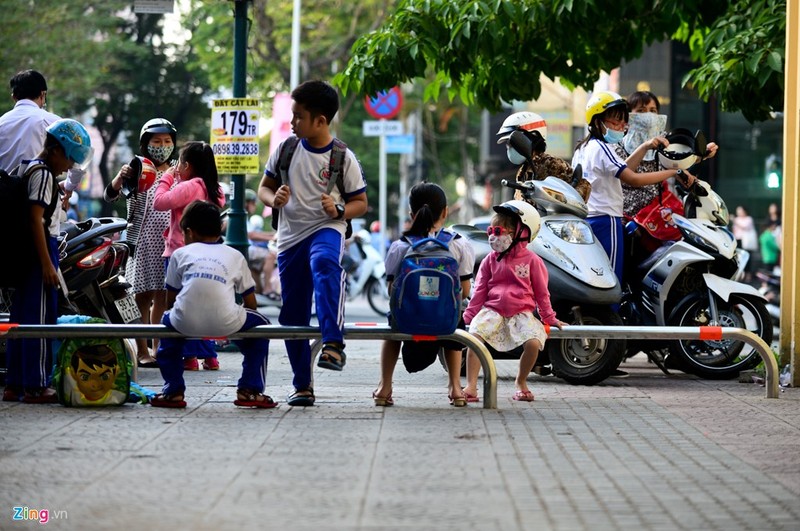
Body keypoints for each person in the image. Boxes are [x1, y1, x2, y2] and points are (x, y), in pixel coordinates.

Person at [257, 79, 368, 407]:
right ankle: (302, 384)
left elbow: (360, 202)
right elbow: (264, 188)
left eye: (298, 116)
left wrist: (339, 209)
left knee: (324, 264)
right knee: (292, 314)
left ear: (321, 121)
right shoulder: (286, 149)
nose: (292, 123)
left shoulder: (342, 157)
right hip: (290, 237)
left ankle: (334, 344)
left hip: (327, 228)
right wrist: (273, 198)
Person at [150, 201, 276, 409]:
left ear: (188, 232)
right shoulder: (235, 255)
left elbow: (170, 300)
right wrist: (239, 332)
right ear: (219, 231)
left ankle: (173, 390)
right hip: (226, 322)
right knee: (262, 328)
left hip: (184, 322)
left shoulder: (179, 255)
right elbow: (251, 303)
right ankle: (250, 389)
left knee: (167, 326)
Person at [3, 119, 94, 403]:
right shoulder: (43, 175)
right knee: (42, 322)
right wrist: (46, 264)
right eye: (69, 159)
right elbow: (36, 220)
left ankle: (16, 383)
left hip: (27, 253)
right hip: (40, 252)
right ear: (56, 151)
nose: (69, 166)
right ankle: (36, 384)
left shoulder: (27, 167)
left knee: (22, 321)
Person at [572, 90, 698, 285]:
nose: (621, 127)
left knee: (598, 275)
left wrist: (646, 146)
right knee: (611, 280)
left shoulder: (582, 148)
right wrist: (674, 173)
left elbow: (626, 168)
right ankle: (611, 315)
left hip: (589, 219)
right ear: (597, 121)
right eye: (615, 122)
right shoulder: (605, 147)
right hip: (609, 220)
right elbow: (633, 178)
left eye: (622, 122)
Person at [373, 182, 474, 407]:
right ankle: (456, 387)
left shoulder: (401, 245)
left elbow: (391, 291)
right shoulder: (459, 244)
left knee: (392, 329)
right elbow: (465, 292)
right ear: (446, 211)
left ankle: (384, 387)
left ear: (411, 213)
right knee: (457, 322)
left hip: (408, 319)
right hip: (445, 321)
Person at [461, 201, 565, 402]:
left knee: (533, 343)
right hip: (492, 311)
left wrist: (549, 318)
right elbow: (479, 291)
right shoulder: (490, 260)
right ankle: (471, 385)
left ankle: (521, 381)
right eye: (491, 231)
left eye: (499, 231)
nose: (493, 236)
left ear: (522, 232)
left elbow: (542, 294)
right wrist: (468, 316)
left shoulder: (533, 261)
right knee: (474, 338)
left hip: (521, 314)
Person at [104, 118, 176, 368]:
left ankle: (159, 348)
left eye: (167, 141)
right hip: (142, 240)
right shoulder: (136, 167)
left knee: (164, 297)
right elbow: (110, 195)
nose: (162, 146)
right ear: (146, 144)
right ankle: (142, 350)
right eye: (157, 141)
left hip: (170, 242)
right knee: (141, 298)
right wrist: (119, 178)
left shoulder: (177, 170)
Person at [153, 141, 226, 371]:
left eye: (181, 163)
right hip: (208, 255)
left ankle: (190, 357)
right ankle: (210, 356)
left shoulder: (191, 186)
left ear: (189, 165)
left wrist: (166, 178)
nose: (178, 167)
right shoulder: (214, 188)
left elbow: (160, 202)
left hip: (180, 254)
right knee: (203, 304)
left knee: (181, 306)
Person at [613, 91, 718, 219]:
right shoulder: (618, 144)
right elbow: (626, 174)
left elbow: (678, 160)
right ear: (629, 114)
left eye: (653, 110)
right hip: (628, 218)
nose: (649, 115)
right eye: (641, 110)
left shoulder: (664, 141)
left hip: (659, 216)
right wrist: (646, 146)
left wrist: (702, 154)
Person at [0, 70, 83, 206]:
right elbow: (77, 160)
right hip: (39, 201)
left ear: (14, 96)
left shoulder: (1, 122)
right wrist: (68, 187)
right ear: (43, 94)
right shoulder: (54, 123)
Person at [498, 111, 592, 202]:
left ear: (530, 140)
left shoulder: (552, 165)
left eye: (512, 143)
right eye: (508, 144)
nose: (509, 147)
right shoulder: (522, 172)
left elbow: (583, 189)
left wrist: (562, 199)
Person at [244, 188, 277, 297]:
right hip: (247, 250)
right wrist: (271, 237)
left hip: (249, 250)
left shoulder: (245, 217)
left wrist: (273, 235)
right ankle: (268, 289)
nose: (255, 206)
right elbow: (252, 235)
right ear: (247, 203)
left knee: (257, 285)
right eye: (253, 203)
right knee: (271, 255)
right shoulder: (240, 216)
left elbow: (254, 233)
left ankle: (260, 290)